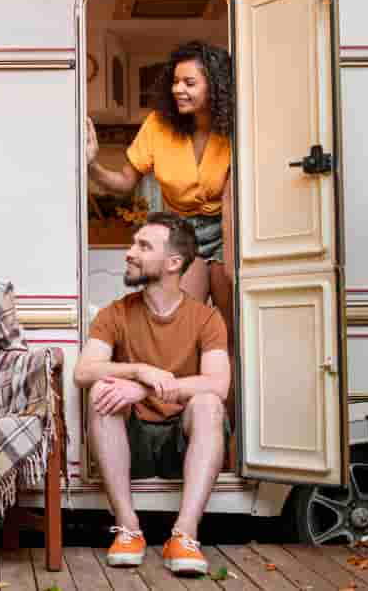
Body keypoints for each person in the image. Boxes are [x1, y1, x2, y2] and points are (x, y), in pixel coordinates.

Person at [74, 212, 230, 576]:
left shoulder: (205, 319)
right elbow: (85, 371)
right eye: (133, 243)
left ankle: (185, 534)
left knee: (208, 404)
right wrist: (136, 370)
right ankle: (128, 528)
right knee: (102, 390)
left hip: (183, 443)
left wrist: (142, 388)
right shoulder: (115, 314)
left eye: (143, 246)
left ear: (173, 263)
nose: (130, 252)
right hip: (134, 446)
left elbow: (217, 384)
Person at [86, 41, 233, 338]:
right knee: (183, 325)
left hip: (227, 227)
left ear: (215, 87)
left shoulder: (235, 128)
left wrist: (230, 258)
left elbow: (232, 202)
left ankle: (225, 386)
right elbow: (125, 183)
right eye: (176, 82)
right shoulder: (157, 125)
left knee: (229, 327)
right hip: (183, 231)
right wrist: (92, 166)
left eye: (189, 83)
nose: (178, 89)